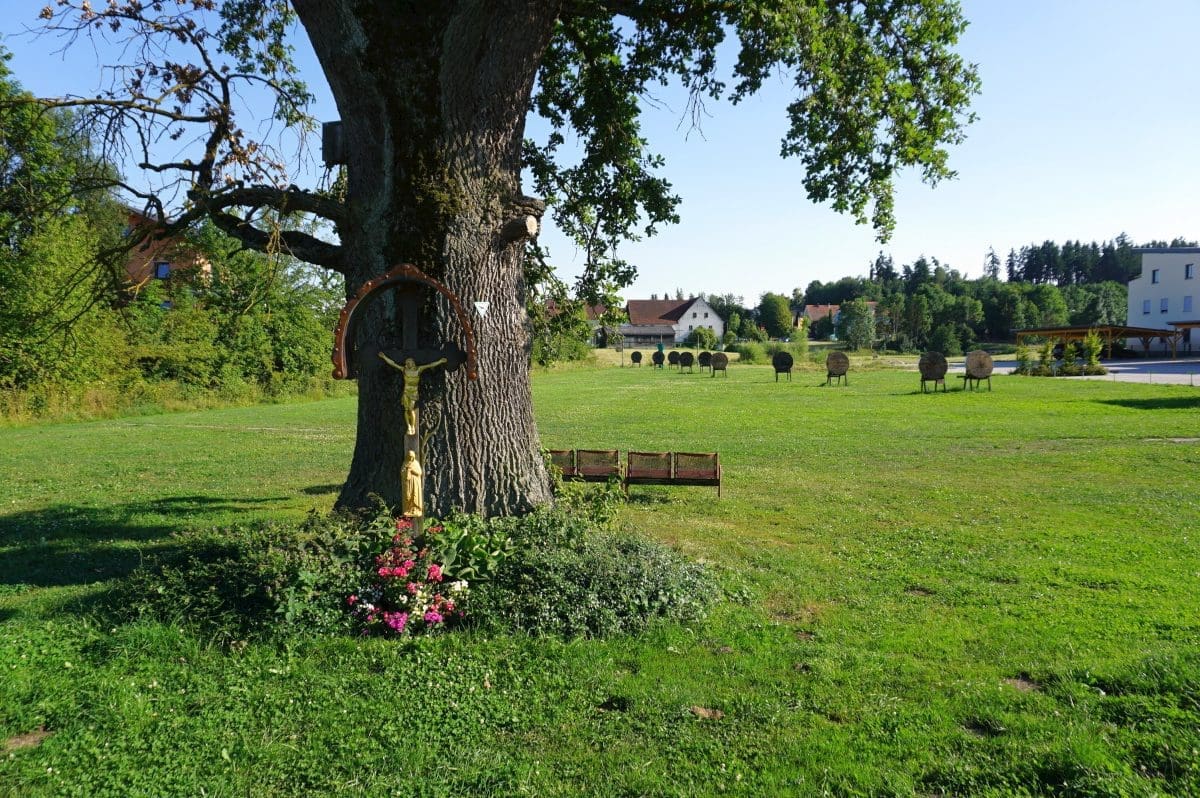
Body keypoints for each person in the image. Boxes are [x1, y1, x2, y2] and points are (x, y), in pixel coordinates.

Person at [378, 353, 447, 435]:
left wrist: (440, 361)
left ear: (413, 363)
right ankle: (409, 427)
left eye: (409, 362)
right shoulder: (404, 370)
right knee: (406, 410)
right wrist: (384, 357)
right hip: (406, 392)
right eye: (407, 363)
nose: (408, 364)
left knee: (411, 409)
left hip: (413, 392)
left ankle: (413, 426)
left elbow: (430, 365)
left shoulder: (418, 369)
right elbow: (393, 364)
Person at [401, 449, 423, 517]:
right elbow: (402, 472)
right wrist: (406, 471)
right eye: (409, 456)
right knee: (408, 495)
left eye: (411, 456)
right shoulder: (405, 463)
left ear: (413, 457)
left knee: (415, 495)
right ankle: (408, 509)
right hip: (408, 482)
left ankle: (416, 509)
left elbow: (420, 472)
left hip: (415, 482)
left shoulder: (416, 463)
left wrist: (412, 470)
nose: (410, 458)